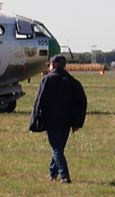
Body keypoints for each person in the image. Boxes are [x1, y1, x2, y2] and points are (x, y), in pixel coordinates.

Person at [29, 54, 88, 183]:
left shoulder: (47, 80)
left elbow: (39, 101)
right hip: (67, 121)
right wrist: (77, 122)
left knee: (56, 149)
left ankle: (64, 176)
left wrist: (35, 120)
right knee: (59, 148)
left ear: (52, 65)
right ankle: (52, 173)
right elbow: (82, 102)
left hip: (51, 121)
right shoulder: (72, 81)